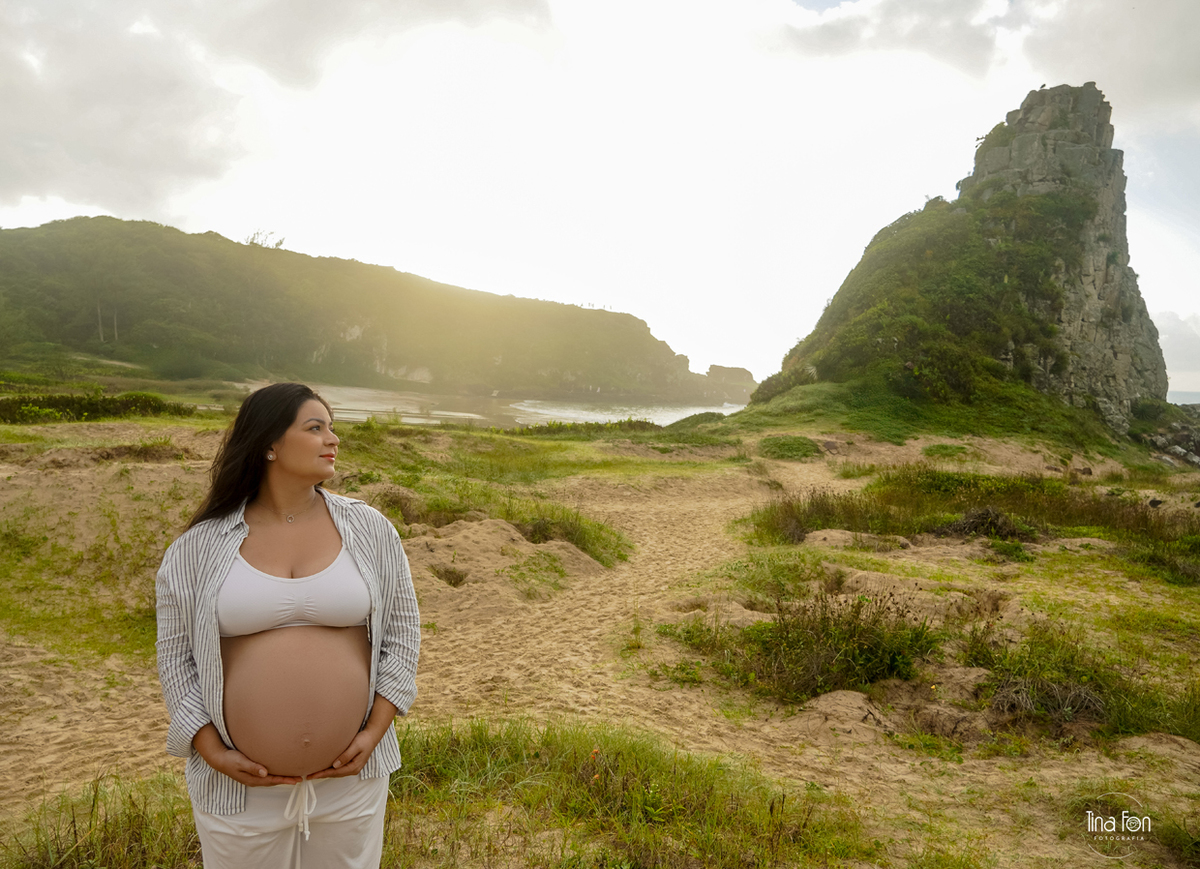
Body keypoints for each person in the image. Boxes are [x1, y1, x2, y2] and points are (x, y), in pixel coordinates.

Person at [156, 382, 420, 868]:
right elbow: (176, 659)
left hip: (351, 782)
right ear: (269, 444)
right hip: (239, 790)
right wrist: (212, 751)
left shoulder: (370, 529)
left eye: (332, 428)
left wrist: (374, 733)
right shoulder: (197, 547)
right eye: (315, 428)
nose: (332, 439)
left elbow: (403, 636)